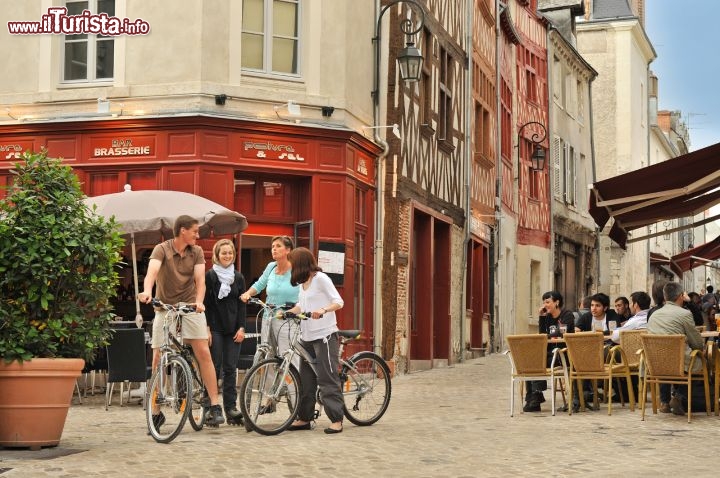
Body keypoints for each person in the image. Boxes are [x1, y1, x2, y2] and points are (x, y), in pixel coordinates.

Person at [138, 215, 224, 428]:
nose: (198, 235)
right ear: (182, 230)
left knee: (203, 351)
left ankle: (214, 405)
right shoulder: (162, 249)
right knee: (158, 357)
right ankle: (156, 410)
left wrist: (199, 302)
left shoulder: (195, 252)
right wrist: (147, 291)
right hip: (164, 307)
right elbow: (152, 274)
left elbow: (200, 281)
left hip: (190, 306)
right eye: (195, 231)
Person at [283, 247, 345, 434]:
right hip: (306, 337)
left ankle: (336, 420)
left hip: (324, 335)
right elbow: (303, 305)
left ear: (300, 263)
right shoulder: (303, 283)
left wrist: (324, 310)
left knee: (327, 378)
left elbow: (339, 301)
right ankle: (304, 418)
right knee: (306, 381)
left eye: (292, 263)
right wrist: (287, 312)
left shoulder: (321, 279)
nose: (290, 266)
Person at [204, 239, 246, 426]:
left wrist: (242, 327)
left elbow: (241, 304)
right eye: (224, 253)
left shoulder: (238, 278)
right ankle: (209, 409)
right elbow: (205, 303)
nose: (227, 256)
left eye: (230, 253)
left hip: (234, 329)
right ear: (217, 255)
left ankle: (231, 408)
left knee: (230, 368)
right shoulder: (210, 276)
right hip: (215, 328)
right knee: (213, 367)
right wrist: (206, 328)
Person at [646, 282, 704, 416]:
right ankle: (678, 397)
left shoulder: (654, 314)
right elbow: (697, 343)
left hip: (655, 362)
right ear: (680, 296)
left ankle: (664, 402)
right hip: (678, 362)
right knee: (700, 361)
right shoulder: (684, 314)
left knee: (665, 360)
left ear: (665, 297)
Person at [240, 235, 300, 363]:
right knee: (267, 354)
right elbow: (259, 284)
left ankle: (290, 383)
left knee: (287, 354)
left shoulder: (296, 269)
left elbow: (305, 294)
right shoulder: (271, 267)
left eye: (278, 246)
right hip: (269, 316)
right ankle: (270, 384)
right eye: (273, 246)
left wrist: (295, 310)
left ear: (288, 250)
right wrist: (248, 293)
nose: (274, 249)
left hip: (287, 318)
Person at [524, 290, 576, 412]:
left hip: (563, 353)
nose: (545, 305)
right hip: (550, 352)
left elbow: (561, 332)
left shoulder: (567, 315)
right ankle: (534, 397)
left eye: (548, 302)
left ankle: (536, 396)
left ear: (556, 302)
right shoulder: (547, 317)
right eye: (544, 302)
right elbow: (542, 334)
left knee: (536, 361)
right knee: (529, 362)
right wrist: (541, 317)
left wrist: (547, 336)